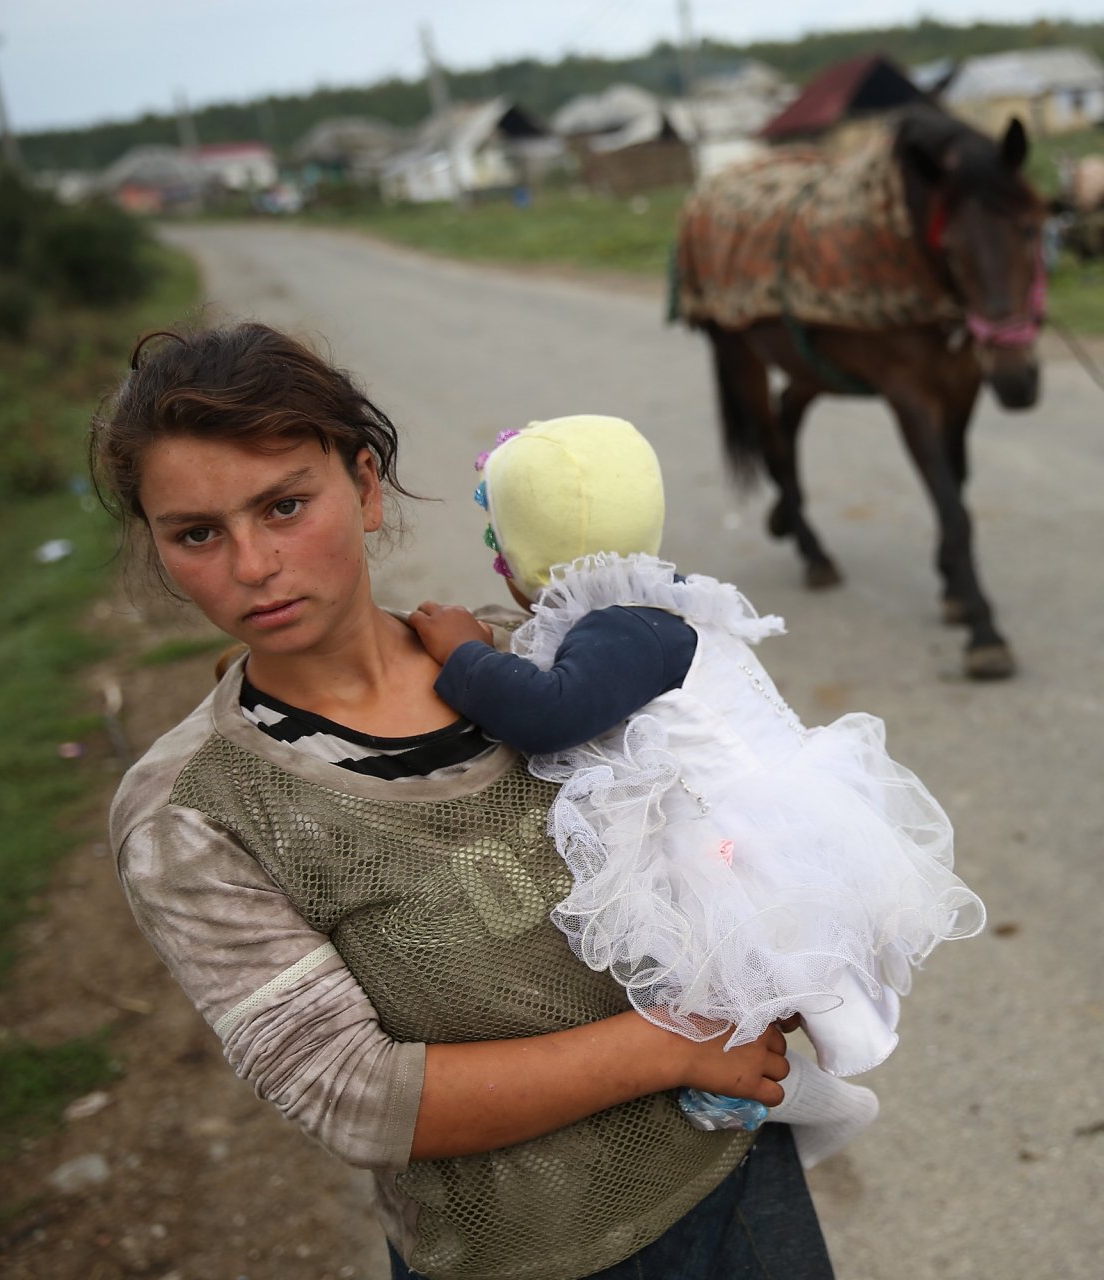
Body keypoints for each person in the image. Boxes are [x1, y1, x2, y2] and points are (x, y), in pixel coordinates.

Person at [96, 323, 836, 1280]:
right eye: (197, 534)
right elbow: (355, 1094)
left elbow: (736, 834)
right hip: (520, 1253)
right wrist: (670, 1048)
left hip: (738, 1189)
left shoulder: (540, 669)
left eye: (284, 506)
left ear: (364, 488)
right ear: (159, 548)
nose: (251, 565)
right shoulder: (194, 811)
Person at [402, 415, 984, 1097]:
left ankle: (775, 1069)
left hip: (735, 839)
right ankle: (783, 1056)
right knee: (776, 956)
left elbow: (545, 715)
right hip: (759, 819)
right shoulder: (651, 609)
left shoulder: (620, 630)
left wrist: (465, 654)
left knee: (753, 956)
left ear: (525, 557)